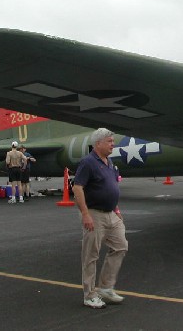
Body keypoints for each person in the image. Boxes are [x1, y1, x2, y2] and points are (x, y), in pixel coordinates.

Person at [71, 128, 128, 309]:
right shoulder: (88, 163)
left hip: (111, 213)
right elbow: (77, 188)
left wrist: (116, 209)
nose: (113, 144)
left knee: (120, 246)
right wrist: (85, 214)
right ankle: (89, 295)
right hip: (94, 213)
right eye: (110, 141)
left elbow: (111, 187)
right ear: (98, 144)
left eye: (113, 141)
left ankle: (106, 288)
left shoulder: (109, 163)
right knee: (90, 255)